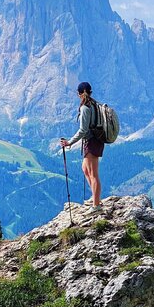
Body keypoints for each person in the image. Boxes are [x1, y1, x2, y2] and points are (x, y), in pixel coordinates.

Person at [60, 81, 104, 210]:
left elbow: (83, 130)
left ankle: (96, 205)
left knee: (93, 173)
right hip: (95, 140)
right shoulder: (95, 104)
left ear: (79, 94)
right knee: (85, 169)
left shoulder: (85, 107)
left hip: (91, 141)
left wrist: (69, 142)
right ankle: (95, 198)